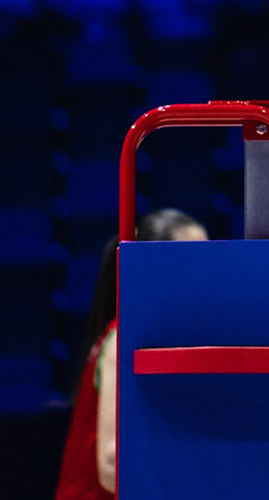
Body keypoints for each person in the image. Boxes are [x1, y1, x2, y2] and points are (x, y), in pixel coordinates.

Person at [53, 208, 208, 500]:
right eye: (190, 263)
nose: (203, 275)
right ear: (154, 271)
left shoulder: (166, 339)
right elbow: (112, 464)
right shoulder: (122, 339)